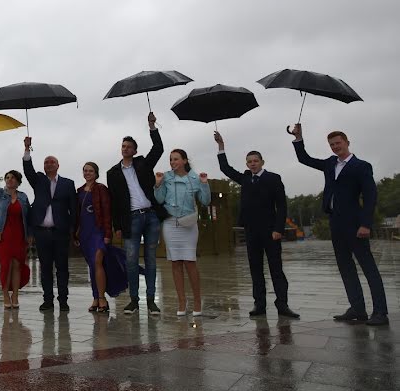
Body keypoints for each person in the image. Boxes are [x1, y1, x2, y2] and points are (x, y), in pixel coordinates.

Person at [290, 124, 388, 326]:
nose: (335, 147)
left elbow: (370, 197)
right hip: (335, 222)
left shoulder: (361, 166)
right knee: (345, 268)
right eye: (332, 144)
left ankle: (380, 312)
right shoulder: (329, 164)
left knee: (368, 267)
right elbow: (304, 159)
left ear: (347, 143)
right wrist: (299, 138)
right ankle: (358, 308)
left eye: (338, 143)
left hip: (355, 224)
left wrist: (365, 224)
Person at [215, 132, 298, 318]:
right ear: (247, 164)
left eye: (255, 161)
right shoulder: (245, 179)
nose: (252, 164)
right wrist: (221, 147)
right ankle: (259, 304)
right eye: (249, 161)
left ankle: (282, 304)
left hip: (270, 231)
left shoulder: (273, 178)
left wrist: (278, 228)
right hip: (251, 230)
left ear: (262, 162)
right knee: (255, 268)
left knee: (276, 269)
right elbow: (226, 169)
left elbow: (282, 205)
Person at [106, 112, 166, 315]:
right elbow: (114, 202)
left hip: (150, 216)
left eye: (129, 147)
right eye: (123, 146)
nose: (125, 149)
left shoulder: (143, 163)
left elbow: (158, 149)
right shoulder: (112, 173)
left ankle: (151, 300)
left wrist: (152, 126)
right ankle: (133, 300)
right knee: (131, 260)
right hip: (130, 219)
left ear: (135, 150)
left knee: (150, 258)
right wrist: (117, 226)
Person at [22, 135, 78, 312]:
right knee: (45, 268)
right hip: (41, 232)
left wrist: (73, 231)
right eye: (46, 162)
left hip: (60, 232)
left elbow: (74, 209)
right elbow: (28, 169)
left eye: (52, 162)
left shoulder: (68, 184)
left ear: (58, 165)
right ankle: (47, 300)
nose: (48, 164)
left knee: (62, 268)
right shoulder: (38, 180)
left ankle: (63, 300)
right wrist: (27, 149)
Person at [154, 149, 211, 316]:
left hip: (188, 223)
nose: (172, 162)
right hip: (170, 223)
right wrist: (158, 185)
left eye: (176, 159)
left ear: (185, 160)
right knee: (175, 263)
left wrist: (205, 184)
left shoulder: (195, 178)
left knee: (190, 262)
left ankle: (198, 301)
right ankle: (181, 301)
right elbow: (159, 199)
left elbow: (205, 201)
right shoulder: (166, 177)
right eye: (171, 159)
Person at [75, 162, 129, 313]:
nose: (87, 173)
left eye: (90, 171)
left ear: (96, 173)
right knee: (92, 265)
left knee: (98, 261)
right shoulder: (79, 191)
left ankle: (102, 298)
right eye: (85, 170)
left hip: (98, 232)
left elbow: (107, 212)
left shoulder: (101, 189)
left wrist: (107, 234)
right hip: (85, 233)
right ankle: (95, 298)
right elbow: (77, 215)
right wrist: (75, 233)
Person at [0, 158, 31, 309]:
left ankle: (15, 295)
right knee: (6, 265)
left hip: (19, 235)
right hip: (3, 235)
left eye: (12, 178)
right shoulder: (0, 194)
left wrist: (29, 235)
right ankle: (5, 295)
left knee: (17, 266)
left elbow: (28, 217)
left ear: (18, 181)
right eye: (7, 178)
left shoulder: (23, 197)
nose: (9, 180)